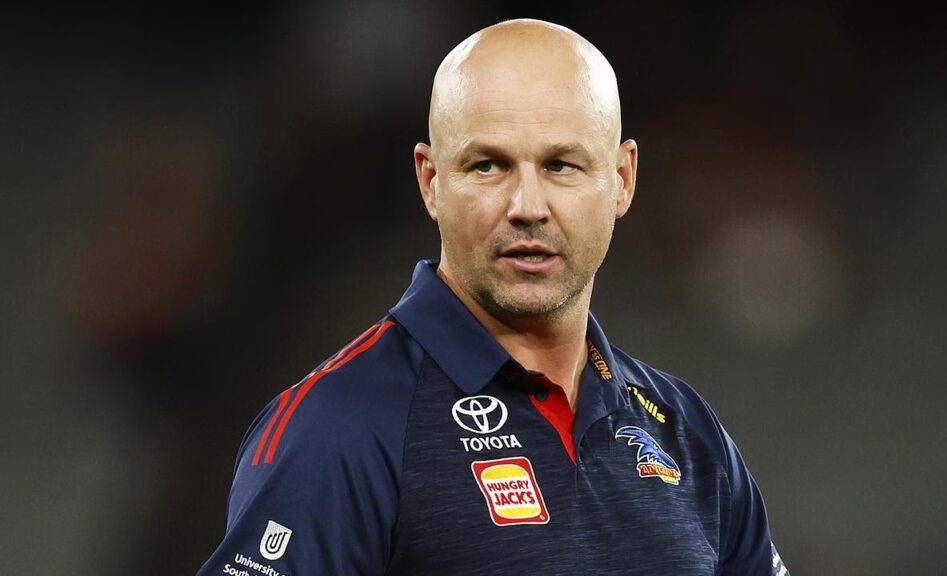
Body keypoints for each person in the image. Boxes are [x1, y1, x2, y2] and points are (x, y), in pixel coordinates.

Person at [198, 18, 788, 576]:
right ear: (431, 181)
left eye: (561, 165)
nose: (527, 207)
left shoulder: (688, 432)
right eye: (488, 166)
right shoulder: (337, 426)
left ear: (622, 179)